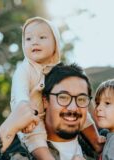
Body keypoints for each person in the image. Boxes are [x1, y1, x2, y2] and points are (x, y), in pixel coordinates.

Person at [10, 17, 103, 159]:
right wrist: (26, 118)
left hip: (47, 116)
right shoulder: (24, 70)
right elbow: (20, 96)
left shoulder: (60, 70)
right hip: (30, 118)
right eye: (28, 39)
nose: (34, 42)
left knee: (81, 112)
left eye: (42, 37)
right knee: (35, 137)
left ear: (55, 44)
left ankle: (97, 142)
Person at [0, 63, 104, 160]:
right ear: (45, 101)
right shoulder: (19, 152)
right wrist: (7, 128)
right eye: (63, 97)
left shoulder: (108, 144)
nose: (72, 108)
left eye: (81, 99)